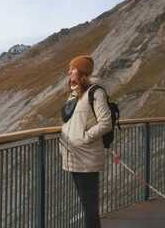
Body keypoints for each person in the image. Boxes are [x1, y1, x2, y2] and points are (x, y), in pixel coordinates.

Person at [59, 55, 112, 228]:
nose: (69, 72)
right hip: (74, 156)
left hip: (86, 157)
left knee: (89, 207)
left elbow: (106, 123)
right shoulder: (75, 93)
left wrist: (84, 138)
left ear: (81, 71)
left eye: (72, 69)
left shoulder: (95, 92)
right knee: (86, 204)